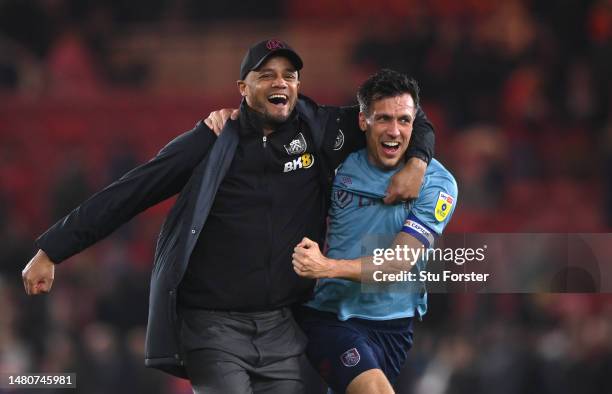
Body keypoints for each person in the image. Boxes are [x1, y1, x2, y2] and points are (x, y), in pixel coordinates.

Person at [21, 39, 435, 393]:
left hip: (283, 328)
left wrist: (417, 162)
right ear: (243, 87)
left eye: (289, 75)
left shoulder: (321, 129)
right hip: (213, 328)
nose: (280, 83)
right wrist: (52, 250)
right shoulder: (212, 140)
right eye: (266, 74)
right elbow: (131, 191)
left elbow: (402, 115)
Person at [291, 69, 458, 394]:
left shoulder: (438, 184)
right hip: (329, 314)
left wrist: (327, 266)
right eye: (383, 119)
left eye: (404, 121)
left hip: (393, 325)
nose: (394, 131)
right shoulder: (337, 166)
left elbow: (399, 263)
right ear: (363, 121)